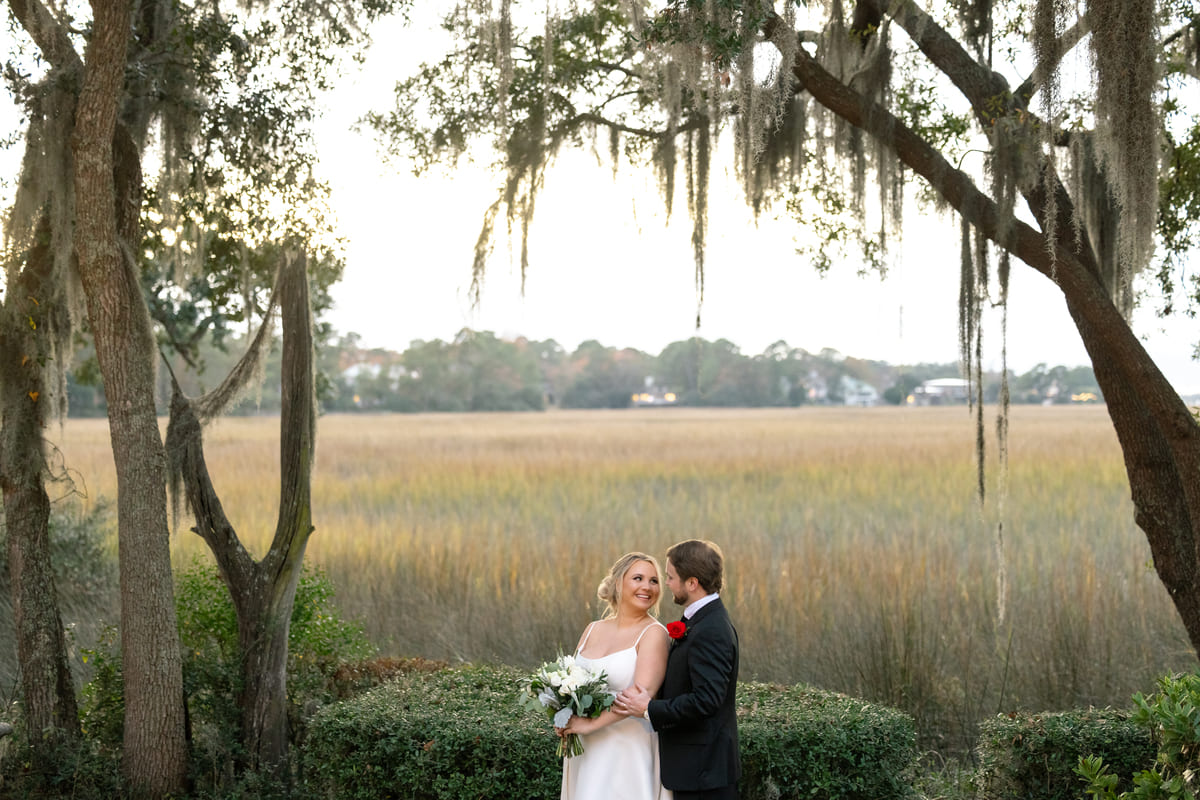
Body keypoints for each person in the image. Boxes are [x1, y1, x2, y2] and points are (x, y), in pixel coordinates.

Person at [616, 540, 740, 800]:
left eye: (671, 577)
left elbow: (706, 701)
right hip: (697, 771)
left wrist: (648, 709)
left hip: (704, 775)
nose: (667, 584)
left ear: (692, 583)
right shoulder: (702, 620)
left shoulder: (711, 630)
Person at [558, 552, 672, 800]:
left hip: (627, 747)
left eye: (654, 581)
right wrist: (565, 718)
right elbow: (571, 683)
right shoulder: (593, 629)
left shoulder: (654, 633)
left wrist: (588, 725)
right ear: (618, 583)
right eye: (638, 578)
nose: (647, 587)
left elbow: (639, 696)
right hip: (585, 748)